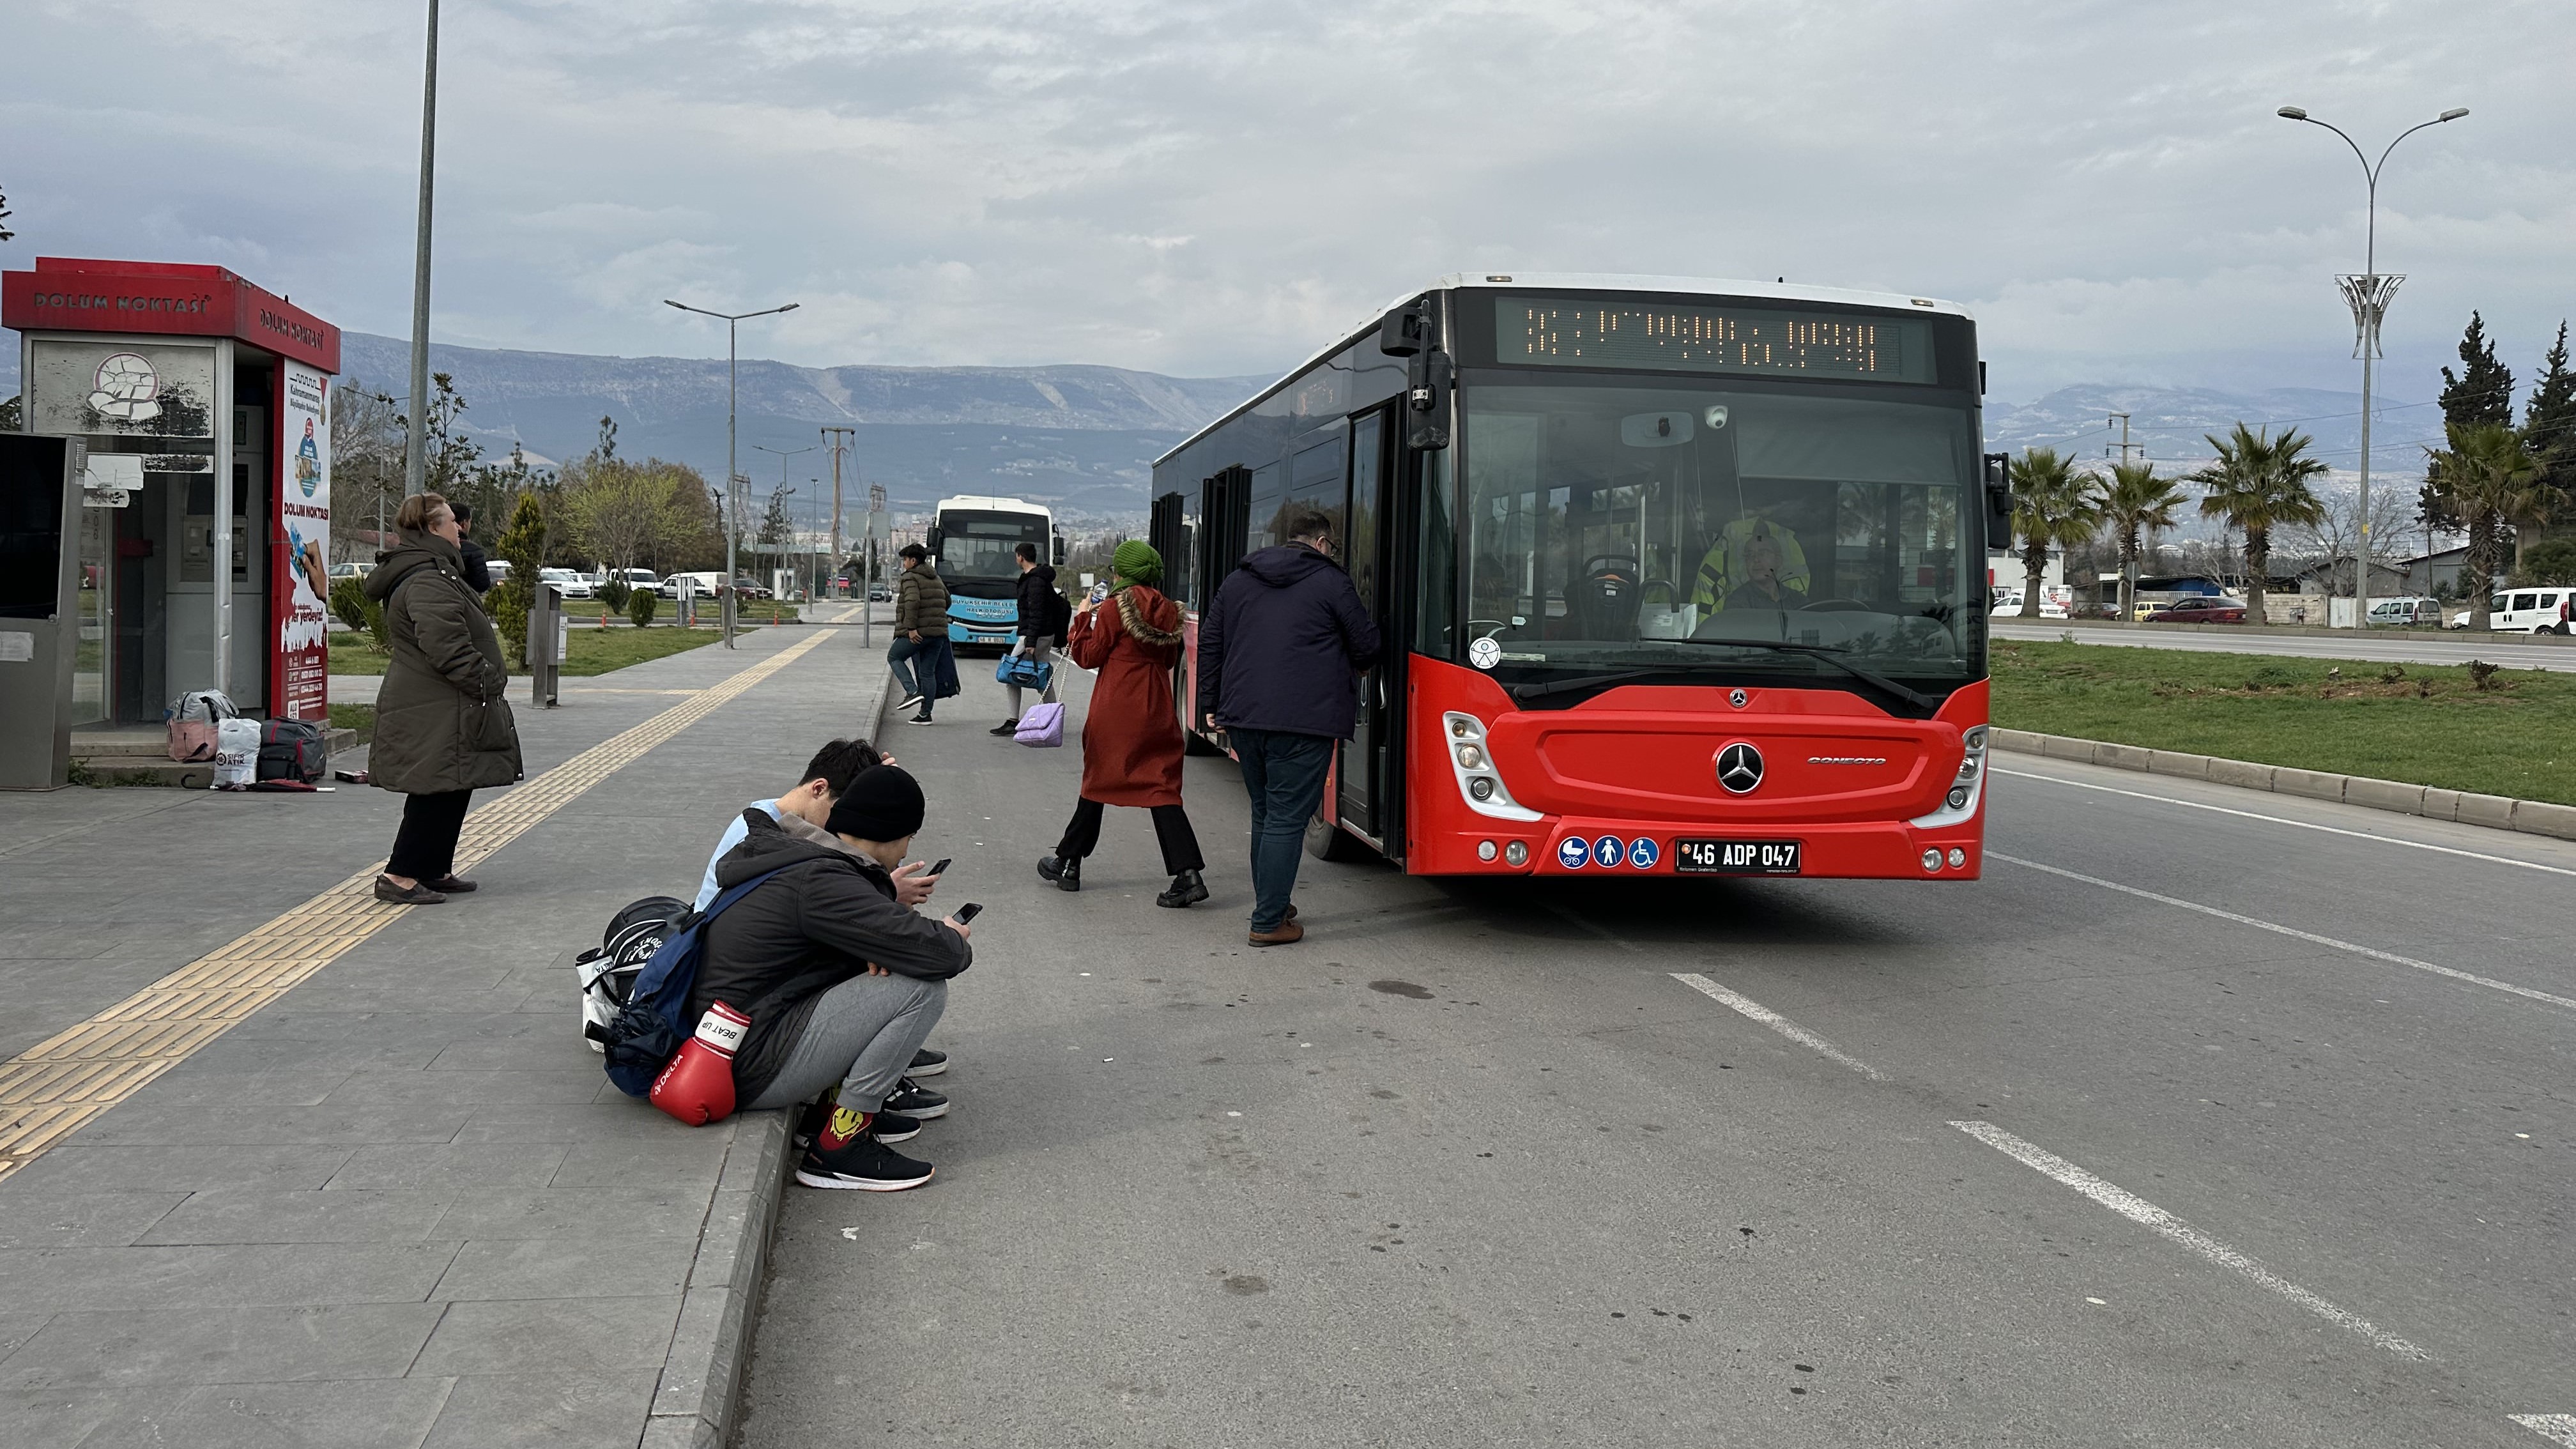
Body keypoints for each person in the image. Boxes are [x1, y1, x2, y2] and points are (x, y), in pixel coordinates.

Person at [694, 765, 973, 1192]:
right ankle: (840, 1146)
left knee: (885, 969)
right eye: (909, 838)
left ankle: (828, 1116)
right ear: (892, 833)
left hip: (737, 1043)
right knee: (922, 989)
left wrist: (873, 949)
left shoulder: (805, 855)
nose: (904, 853)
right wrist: (952, 937)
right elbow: (939, 955)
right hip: (745, 1067)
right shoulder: (825, 881)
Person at [694, 737, 950, 1093]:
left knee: (877, 953)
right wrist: (885, 893)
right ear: (819, 789)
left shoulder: (786, 832)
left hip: (751, 1005)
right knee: (912, 977)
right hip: (747, 1029)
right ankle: (845, 1128)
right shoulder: (770, 839)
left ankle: (877, 1055)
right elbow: (824, 903)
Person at [1196, 509, 1379, 946]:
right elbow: (1367, 645)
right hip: (1305, 719)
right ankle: (1268, 921)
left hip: (1243, 715)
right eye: (1331, 546)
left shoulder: (1239, 580)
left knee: (1265, 811)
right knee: (1285, 817)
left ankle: (1273, 901)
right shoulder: (1331, 582)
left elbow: (1211, 642)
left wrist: (1209, 702)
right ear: (1319, 543)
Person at [361, 492, 523, 904]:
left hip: (445, 703)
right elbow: (445, 644)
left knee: (453, 784)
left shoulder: (436, 572)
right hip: (435, 704)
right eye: (452, 521)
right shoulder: (427, 578)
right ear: (433, 529)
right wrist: (485, 680)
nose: (460, 528)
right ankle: (399, 876)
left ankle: (432, 869)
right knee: (433, 790)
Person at [1036, 540, 1207, 907]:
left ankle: (1069, 865)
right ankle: (1188, 874)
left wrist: (1081, 616)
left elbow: (1087, 655)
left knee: (1098, 781)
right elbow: (1167, 661)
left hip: (1117, 707)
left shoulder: (1114, 608)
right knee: (1161, 788)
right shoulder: (1168, 612)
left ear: (1124, 573)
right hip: (1157, 707)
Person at [992, 541, 1068, 736]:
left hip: (1033, 635)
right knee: (1043, 678)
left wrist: (1031, 641)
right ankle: (1053, 719)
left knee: (1010, 674)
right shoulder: (1036, 578)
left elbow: (1036, 612)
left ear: (1020, 557)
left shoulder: (1034, 581)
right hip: (1042, 633)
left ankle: (1013, 720)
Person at [888, 542, 953, 725]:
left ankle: (912, 691)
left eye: (905, 560)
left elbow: (912, 602)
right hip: (939, 633)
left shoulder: (910, 577)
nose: (904, 564)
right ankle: (925, 715)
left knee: (894, 657)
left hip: (919, 632)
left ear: (913, 561)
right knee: (927, 672)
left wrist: (911, 628)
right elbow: (947, 601)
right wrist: (934, 614)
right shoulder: (935, 576)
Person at [451, 501, 493, 594]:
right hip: (465, 601)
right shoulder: (474, 551)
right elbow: (483, 584)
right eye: (470, 522)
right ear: (464, 524)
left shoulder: (435, 547)